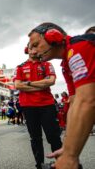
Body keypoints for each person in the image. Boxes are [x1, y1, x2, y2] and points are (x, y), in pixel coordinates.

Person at [28, 23, 95, 169]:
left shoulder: (78, 48)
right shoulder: (66, 64)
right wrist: (68, 147)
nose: (32, 52)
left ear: (53, 36)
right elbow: (75, 102)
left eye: (35, 45)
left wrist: (70, 157)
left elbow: (87, 101)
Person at [14, 44, 62, 169]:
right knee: (35, 138)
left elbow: (50, 81)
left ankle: (61, 163)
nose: (34, 50)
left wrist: (28, 83)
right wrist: (41, 85)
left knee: (53, 136)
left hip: (47, 105)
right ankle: (39, 165)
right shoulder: (20, 67)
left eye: (36, 47)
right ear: (27, 50)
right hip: (28, 106)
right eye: (31, 48)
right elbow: (18, 85)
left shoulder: (47, 64)